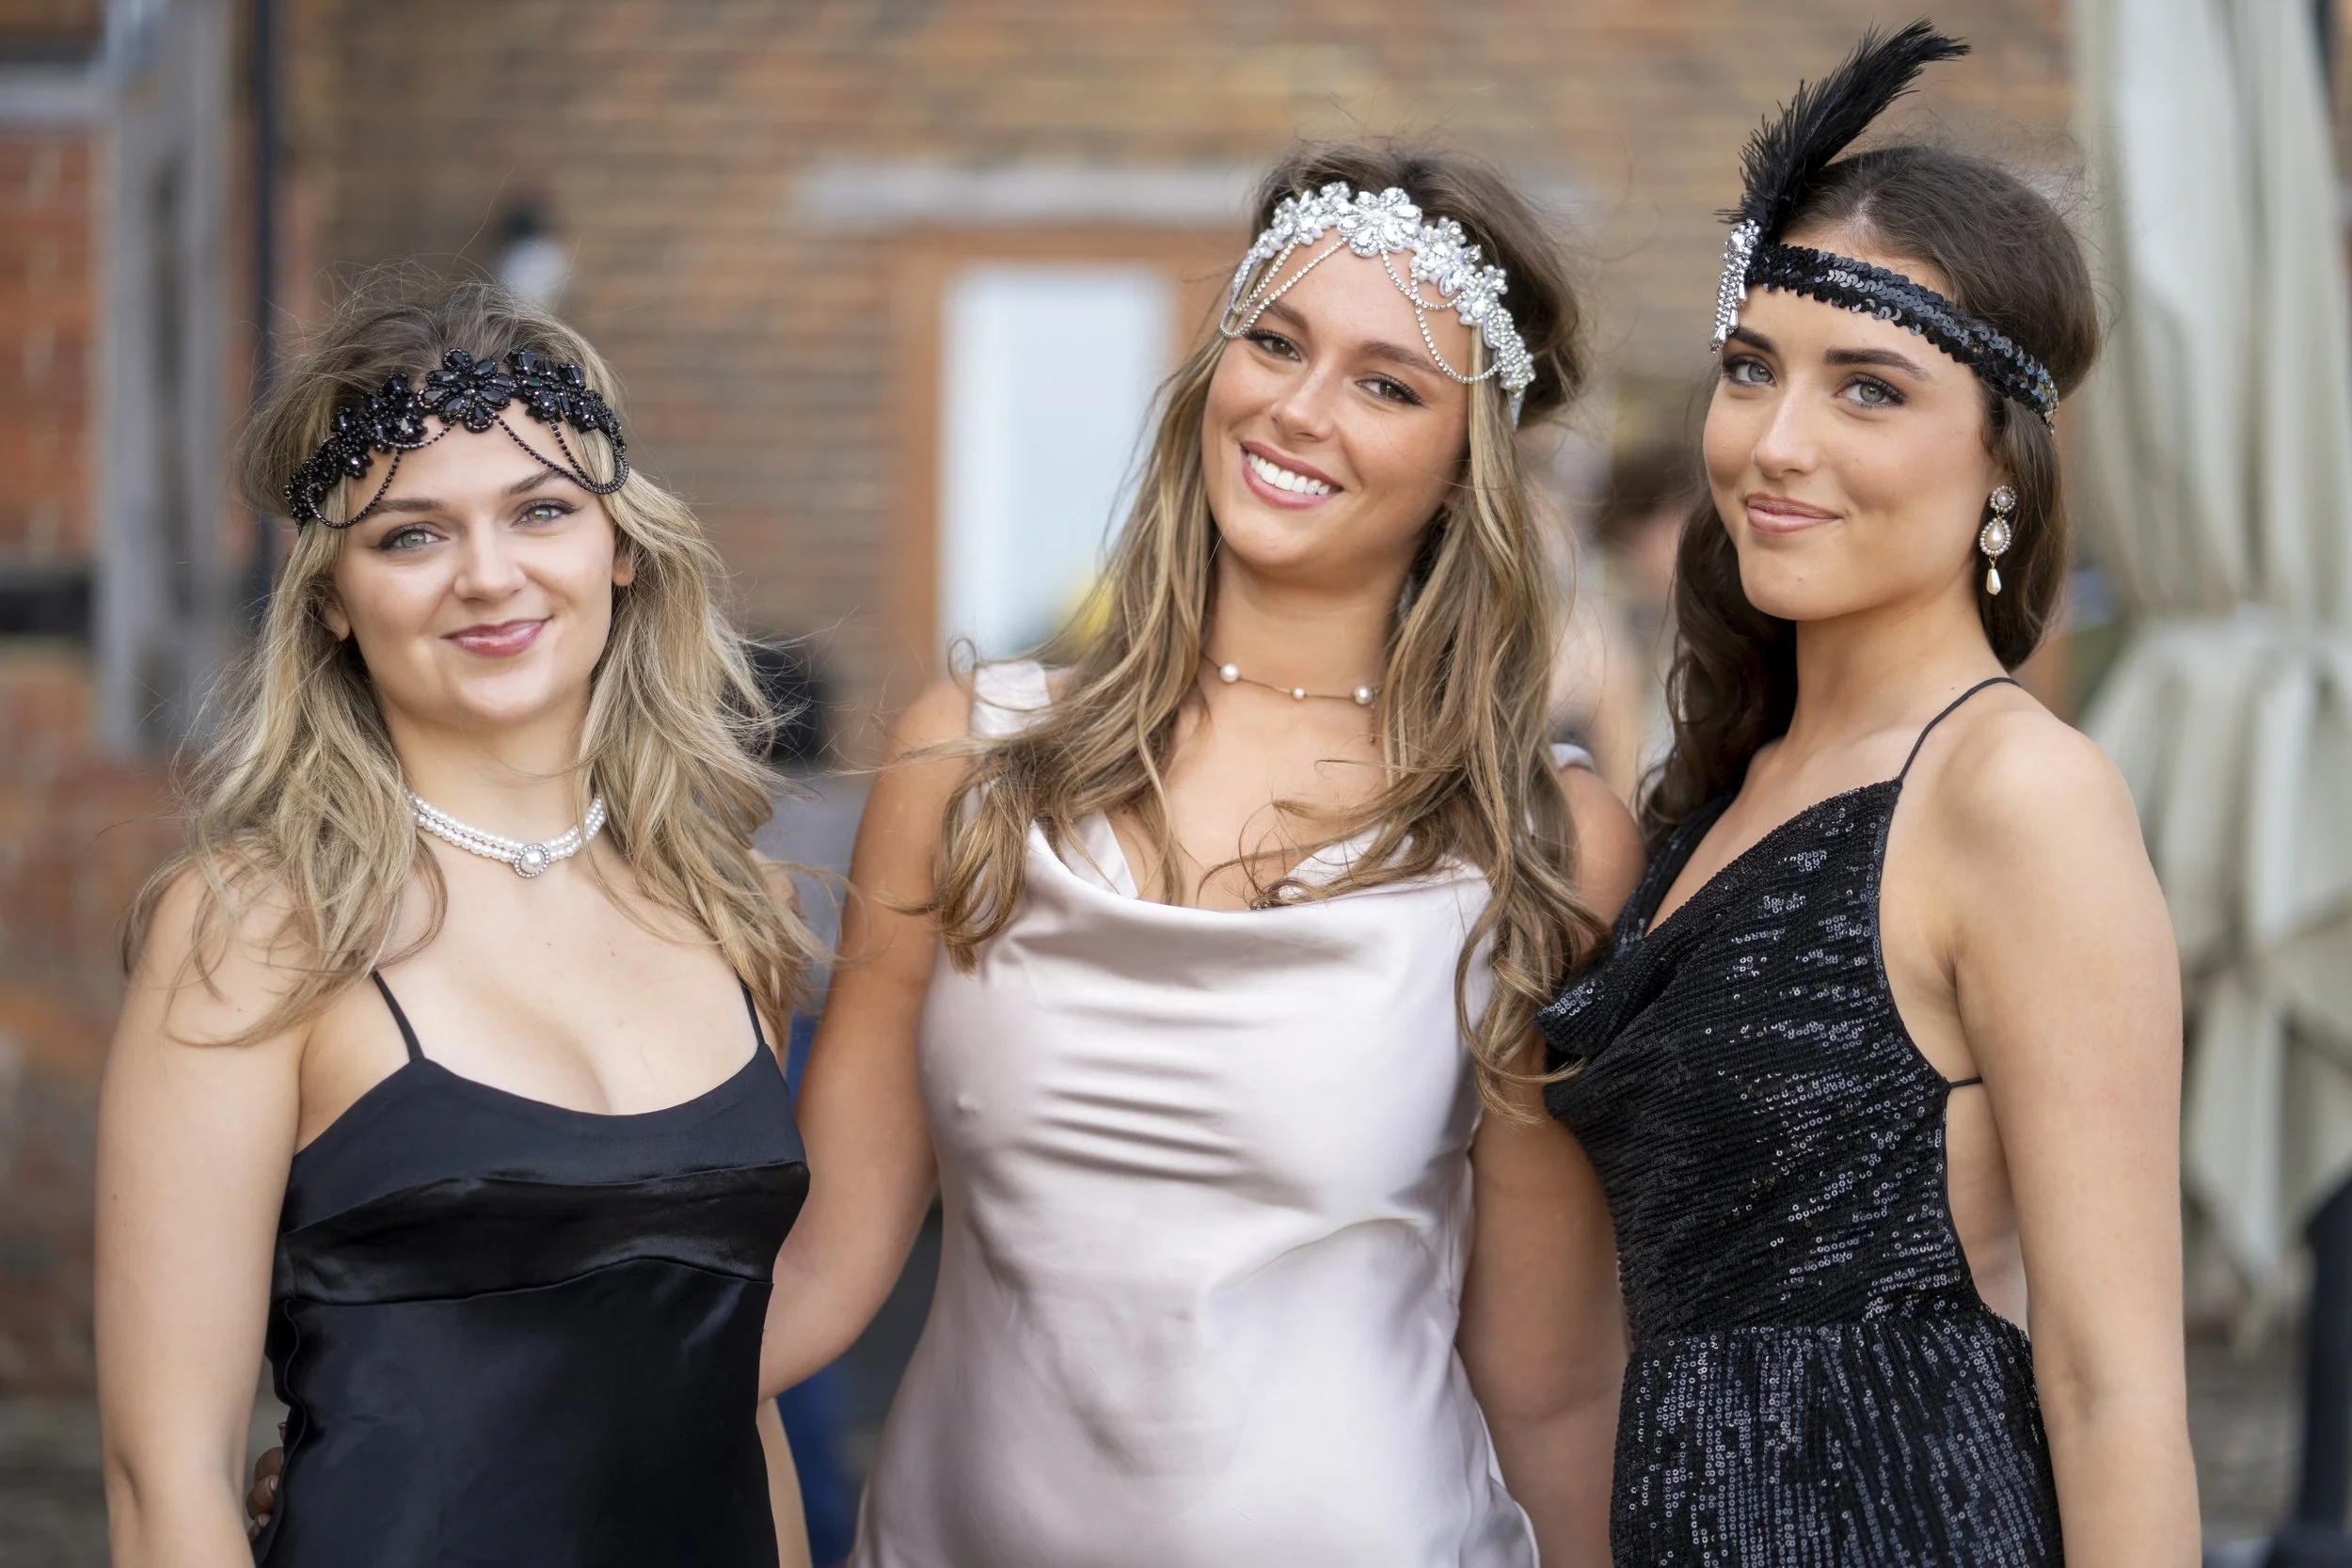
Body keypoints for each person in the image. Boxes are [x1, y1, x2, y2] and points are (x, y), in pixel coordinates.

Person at [761, 144, 1645, 1566]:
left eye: (1387, 382)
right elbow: (820, 1255)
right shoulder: (971, 760)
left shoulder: (1539, 844)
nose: (1299, 409)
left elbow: (1546, 1376)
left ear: (1462, 464)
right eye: (1276, 341)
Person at [1539, 25, 2199, 1564]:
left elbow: (2115, 1390)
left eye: (1871, 391)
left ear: (2002, 469)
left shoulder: (2015, 793)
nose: (1777, 442)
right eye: (1752, 369)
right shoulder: (1711, 793)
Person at [96, 276, 822, 1568]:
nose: (489, 577)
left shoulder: (728, 908)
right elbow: (169, 1476)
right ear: (331, 596)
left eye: (539, 510)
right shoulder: (257, 931)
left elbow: (738, 1399)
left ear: (622, 549)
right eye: (411, 535)